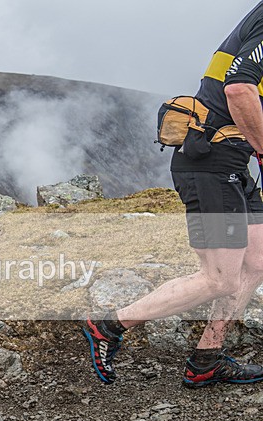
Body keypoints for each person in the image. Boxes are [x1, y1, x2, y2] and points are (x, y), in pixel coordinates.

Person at [83, 3, 263, 388]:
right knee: (219, 279)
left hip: (231, 162)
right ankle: (108, 326)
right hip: (210, 165)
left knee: (258, 259)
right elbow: (239, 89)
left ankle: (206, 359)